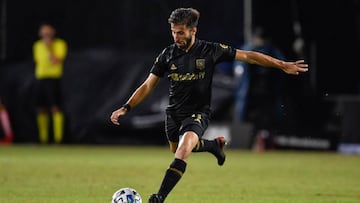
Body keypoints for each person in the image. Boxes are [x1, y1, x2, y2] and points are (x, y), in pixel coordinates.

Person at [110, 8, 308, 202]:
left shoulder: (210, 50)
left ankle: (159, 197)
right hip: (173, 114)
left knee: (183, 149)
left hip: (198, 112)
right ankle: (213, 145)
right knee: (176, 149)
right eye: (173, 32)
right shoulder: (167, 55)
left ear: (193, 30)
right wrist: (126, 107)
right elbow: (147, 85)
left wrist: (282, 65)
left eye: (180, 32)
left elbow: (249, 56)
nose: (176, 37)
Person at [233, 26, 286, 150]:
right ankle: (255, 141)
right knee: (256, 118)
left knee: (265, 119)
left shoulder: (270, 51)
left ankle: (262, 141)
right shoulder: (251, 50)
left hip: (264, 93)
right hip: (253, 93)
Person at [33, 22, 67, 144]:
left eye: (48, 32)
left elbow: (56, 60)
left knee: (55, 108)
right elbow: (38, 62)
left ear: (53, 33)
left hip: (53, 79)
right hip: (41, 79)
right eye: (44, 32)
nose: (46, 34)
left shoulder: (60, 44)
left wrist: (49, 47)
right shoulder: (37, 46)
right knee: (41, 108)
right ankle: (43, 139)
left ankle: (58, 139)